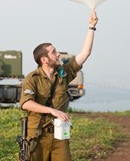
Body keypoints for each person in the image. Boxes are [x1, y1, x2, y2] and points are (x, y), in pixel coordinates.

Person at [20, 10, 98, 161]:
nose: (58, 55)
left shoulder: (63, 73)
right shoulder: (32, 78)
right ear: (44, 59)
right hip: (37, 136)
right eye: (53, 52)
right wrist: (52, 111)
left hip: (59, 135)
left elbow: (85, 54)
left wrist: (91, 27)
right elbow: (26, 103)